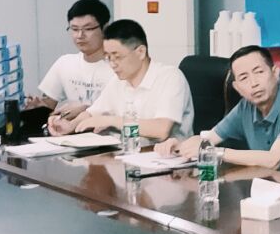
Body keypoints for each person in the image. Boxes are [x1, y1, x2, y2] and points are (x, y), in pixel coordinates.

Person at [161, 45, 280, 178]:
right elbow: (208, 139)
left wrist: (217, 153)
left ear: (275, 73)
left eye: (259, 72)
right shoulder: (245, 107)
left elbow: (273, 160)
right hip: (272, 189)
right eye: (244, 78)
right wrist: (179, 146)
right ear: (237, 87)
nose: (253, 83)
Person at [60, 19, 194, 142]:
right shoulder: (118, 81)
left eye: (117, 57)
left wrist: (110, 121)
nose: (112, 64)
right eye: (108, 57)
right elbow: (92, 113)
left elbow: (161, 130)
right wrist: (70, 125)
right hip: (125, 152)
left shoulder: (170, 77)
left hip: (166, 156)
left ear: (140, 52)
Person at [36, 0, 117, 128]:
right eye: (74, 29)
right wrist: (36, 107)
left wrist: (85, 109)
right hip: (70, 134)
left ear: (105, 28)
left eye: (88, 29)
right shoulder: (65, 63)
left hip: (109, 136)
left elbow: (127, 113)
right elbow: (48, 106)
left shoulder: (119, 67)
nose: (80, 35)